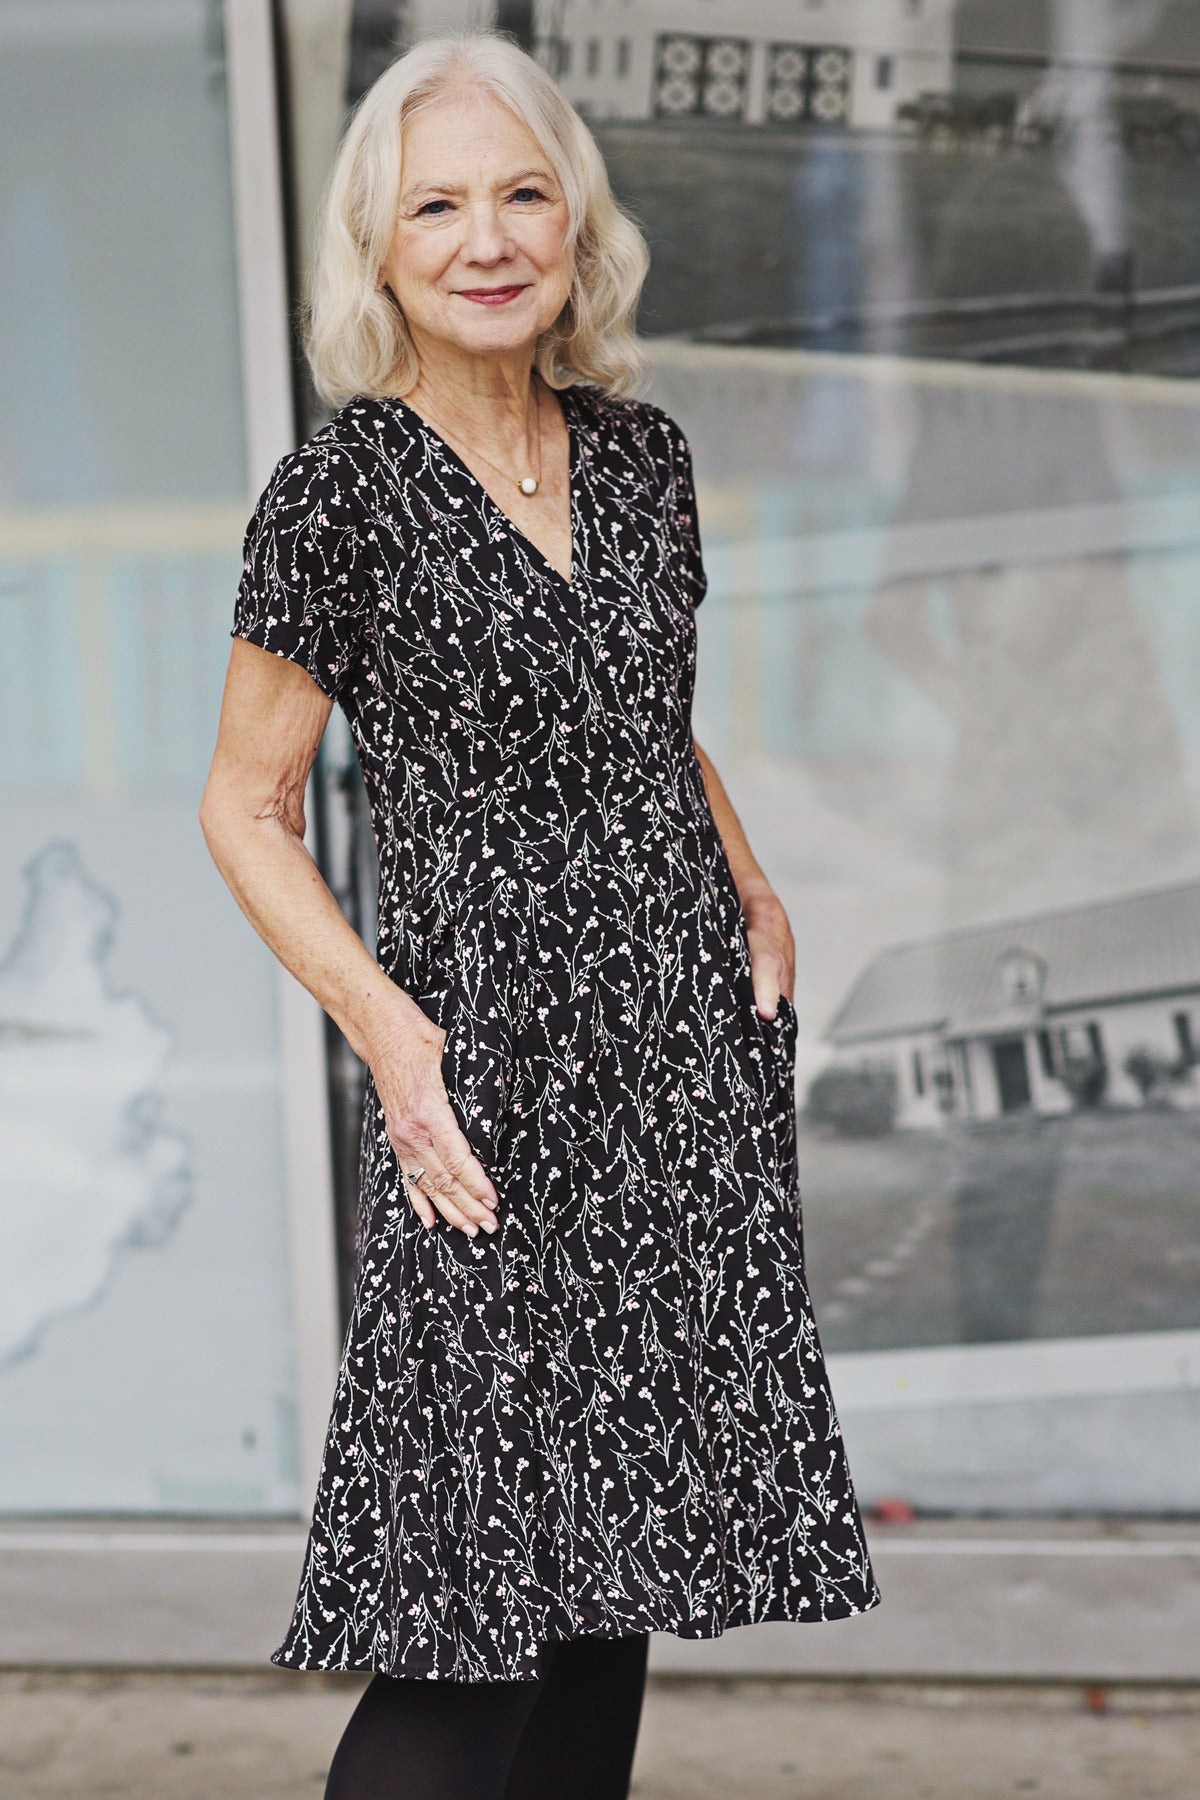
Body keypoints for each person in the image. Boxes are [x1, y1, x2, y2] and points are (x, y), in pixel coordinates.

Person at [199, 28, 881, 1800]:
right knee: (466, 1618)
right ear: (377, 245)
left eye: (522, 195)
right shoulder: (342, 492)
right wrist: (390, 1034)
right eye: (438, 206)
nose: (488, 239)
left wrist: (746, 874)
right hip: (485, 1087)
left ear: (579, 220)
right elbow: (246, 807)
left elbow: (636, 710)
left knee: (608, 1575)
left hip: (674, 1064)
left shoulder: (643, 458)